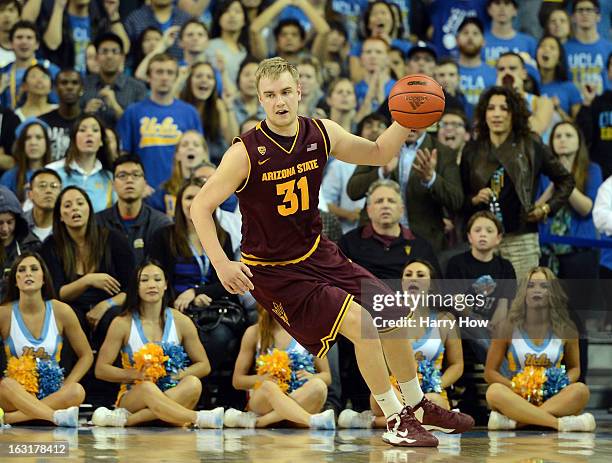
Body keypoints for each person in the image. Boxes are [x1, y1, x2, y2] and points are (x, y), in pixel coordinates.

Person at [190, 57, 475, 447]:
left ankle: (418, 404)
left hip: (316, 251)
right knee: (364, 325)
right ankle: (395, 417)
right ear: (259, 100)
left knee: (390, 309)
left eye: (286, 92)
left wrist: (406, 117)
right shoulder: (246, 152)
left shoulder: (321, 132)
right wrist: (222, 263)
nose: (280, 102)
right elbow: (199, 207)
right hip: (276, 272)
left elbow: (376, 152)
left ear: (299, 93)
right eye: (270, 95)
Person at [92, 259, 224, 428]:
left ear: (166, 285)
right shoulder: (122, 323)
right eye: (144, 280)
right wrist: (137, 375)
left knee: (193, 383)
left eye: (157, 279)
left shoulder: (181, 321)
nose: (151, 285)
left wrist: (175, 375)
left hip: (173, 391)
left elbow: (204, 365)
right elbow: (101, 369)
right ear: (136, 287)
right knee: (148, 388)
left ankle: (129, 420)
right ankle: (197, 417)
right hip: (135, 395)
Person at [461, 86, 574, 279]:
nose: (497, 114)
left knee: (523, 302)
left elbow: (566, 180)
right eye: (491, 108)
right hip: (482, 238)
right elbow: (461, 196)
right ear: (483, 114)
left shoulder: (531, 144)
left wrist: (546, 209)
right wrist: (474, 199)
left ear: (514, 113)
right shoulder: (472, 149)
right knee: (482, 304)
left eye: (504, 108)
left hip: (522, 239)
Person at [339, 259, 464, 428]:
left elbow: (457, 365)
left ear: (432, 284)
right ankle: (427, 420)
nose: (413, 279)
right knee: (382, 398)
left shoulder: (445, 320)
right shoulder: (388, 317)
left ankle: (372, 422)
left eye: (420, 275)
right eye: (408, 275)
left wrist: (434, 383)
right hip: (395, 390)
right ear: (402, 282)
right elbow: (378, 361)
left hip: (431, 391)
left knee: (434, 402)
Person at [484, 266, 595, 432]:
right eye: (531, 286)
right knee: (494, 391)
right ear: (523, 292)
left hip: (553, 396)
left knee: (581, 390)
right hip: (518, 397)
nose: (537, 290)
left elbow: (575, 368)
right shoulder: (506, 327)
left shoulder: (567, 329)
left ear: (553, 292)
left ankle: (516, 422)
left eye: (544, 286)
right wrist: (515, 386)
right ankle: (559, 424)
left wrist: (559, 385)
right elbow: (490, 372)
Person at [0, 251, 93, 426]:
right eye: (22, 270)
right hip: (16, 396)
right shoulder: (4, 314)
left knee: (76, 391)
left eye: (34, 269)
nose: (28, 273)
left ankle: (11, 419)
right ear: (15, 280)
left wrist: (68, 383)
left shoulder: (61, 311)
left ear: (44, 278)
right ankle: (55, 416)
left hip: (52, 392)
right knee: (6, 385)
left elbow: (86, 355)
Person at [347, 127, 464, 253]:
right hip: (377, 238)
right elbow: (353, 191)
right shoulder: (377, 145)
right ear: (394, 119)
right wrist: (382, 171)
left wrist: (431, 179)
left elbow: (456, 200)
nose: (411, 126)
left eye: (417, 120)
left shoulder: (444, 153)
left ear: (427, 122)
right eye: (406, 119)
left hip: (424, 240)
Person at [39, 186, 134, 338]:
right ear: (60, 216)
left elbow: (132, 289)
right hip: (71, 308)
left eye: (80, 203)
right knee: (67, 316)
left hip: (111, 306)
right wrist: (88, 280)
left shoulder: (113, 239)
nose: (74, 209)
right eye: (68, 205)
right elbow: (55, 294)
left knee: (114, 317)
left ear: (89, 209)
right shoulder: (51, 246)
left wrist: (106, 305)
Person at [224, 304, 333, 428]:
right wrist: (261, 379)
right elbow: (237, 381)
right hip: (264, 404)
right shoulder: (254, 332)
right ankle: (307, 419)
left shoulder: (309, 331)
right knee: (268, 386)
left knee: (319, 386)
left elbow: (327, 376)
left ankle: (260, 422)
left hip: (299, 406)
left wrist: (312, 377)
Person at [117, 53, 203, 190]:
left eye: (169, 73)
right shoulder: (132, 112)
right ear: (149, 77)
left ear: (176, 77)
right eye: (159, 72)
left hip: (182, 191)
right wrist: (139, 184)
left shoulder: (190, 113)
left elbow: (200, 155)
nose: (164, 77)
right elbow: (125, 156)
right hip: (145, 191)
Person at [536, 121, 602, 277]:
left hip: (580, 252)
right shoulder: (541, 171)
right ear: (551, 142)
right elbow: (535, 209)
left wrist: (566, 179)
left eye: (568, 135)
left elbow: (586, 209)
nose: (562, 140)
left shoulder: (592, 170)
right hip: (546, 251)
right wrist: (555, 182)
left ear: (579, 142)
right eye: (558, 136)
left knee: (582, 302)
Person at [97, 155, 172, 266]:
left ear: (145, 183)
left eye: (136, 175)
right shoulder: (97, 223)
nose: (129, 180)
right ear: (112, 185)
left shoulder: (160, 224)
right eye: (122, 176)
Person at [47, 114, 115, 213]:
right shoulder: (53, 171)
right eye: (82, 130)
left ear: (101, 141)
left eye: (95, 130)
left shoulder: (109, 178)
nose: (89, 134)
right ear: (74, 138)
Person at [82, 32, 148, 129]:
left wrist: (116, 107)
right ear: (96, 57)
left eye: (115, 51)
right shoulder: (84, 85)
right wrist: (85, 114)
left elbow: (141, 126)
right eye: (104, 51)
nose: (109, 56)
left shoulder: (137, 88)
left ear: (122, 57)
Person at [180, 62, 238, 164]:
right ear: (189, 81)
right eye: (198, 76)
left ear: (215, 84)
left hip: (214, 166)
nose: (204, 80)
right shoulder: (179, 105)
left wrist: (229, 106)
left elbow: (233, 140)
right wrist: (180, 79)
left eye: (209, 77)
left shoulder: (218, 105)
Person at [147, 131, 210, 217]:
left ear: (204, 154)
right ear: (177, 155)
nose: (190, 148)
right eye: (185, 145)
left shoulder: (216, 187)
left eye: (196, 145)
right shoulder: (164, 192)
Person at [496, 52, 556, 141]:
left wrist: (515, 95)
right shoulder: (490, 105)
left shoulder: (542, 102)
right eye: (502, 69)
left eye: (512, 68)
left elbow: (536, 129)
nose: (507, 73)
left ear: (524, 73)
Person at [0, 20, 60, 110]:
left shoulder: (50, 70)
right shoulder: (2, 72)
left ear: (37, 44)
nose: (24, 42)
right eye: (19, 37)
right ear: (11, 44)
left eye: (29, 38)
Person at [565, 0, 612, 96]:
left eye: (589, 10)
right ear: (573, 17)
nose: (584, 13)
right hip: (574, 106)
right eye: (580, 10)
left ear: (598, 16)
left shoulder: (610, 49)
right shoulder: (563, 49)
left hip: (604, 106)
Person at [0, 186, 40, 297]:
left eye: (10, 222)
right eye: (0, 223)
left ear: (17, 220)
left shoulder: (32, 245)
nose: (5, 229)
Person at [0, 118, 51, 202]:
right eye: (27, 138)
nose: (33, 142)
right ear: (21, 144)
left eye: (38, 137)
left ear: (47, 143)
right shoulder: (9, 177)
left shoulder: (57, 173)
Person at [456, 17, 497, 121]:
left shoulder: (495, 74)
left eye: (475, 33)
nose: (470, 37)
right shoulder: (447, 72)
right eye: (465, 33)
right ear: (457, 39)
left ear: (484, 41)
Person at [123, 0, 192, 61]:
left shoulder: (185, 19)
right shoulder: (135, 19)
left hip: (180, 70)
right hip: (140, 70)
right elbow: (125, 50)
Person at [536, 35, 584, 120]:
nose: (546, 49)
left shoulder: (570, 88)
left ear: (559, 58)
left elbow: (577, 127)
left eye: (552, 48)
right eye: (542, 46)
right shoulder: (528, 85)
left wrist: (557, 109)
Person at [40, 69, 83, 162]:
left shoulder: (89, 122)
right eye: (64, 83)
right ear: (55, 88)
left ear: (82, 88)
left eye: (75, 83)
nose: (69, 87)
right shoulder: (42, 122)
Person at [483, 0, 537, 68]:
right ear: (489, 9)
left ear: (515, 10)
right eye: (497, 3)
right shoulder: (480, 40)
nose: (502, 8)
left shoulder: (529, 42)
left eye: (507, 3)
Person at [23, 168, 62, 244]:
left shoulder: (67, 225)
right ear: (30, 194)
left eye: (54, 186)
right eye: (42, 186)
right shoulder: (19, 224)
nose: (48, 191)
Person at [0, 0, 19, 68]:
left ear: (19, 17)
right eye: (1, 10)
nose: (6, 15)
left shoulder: (28, 46)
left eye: (11, 10)